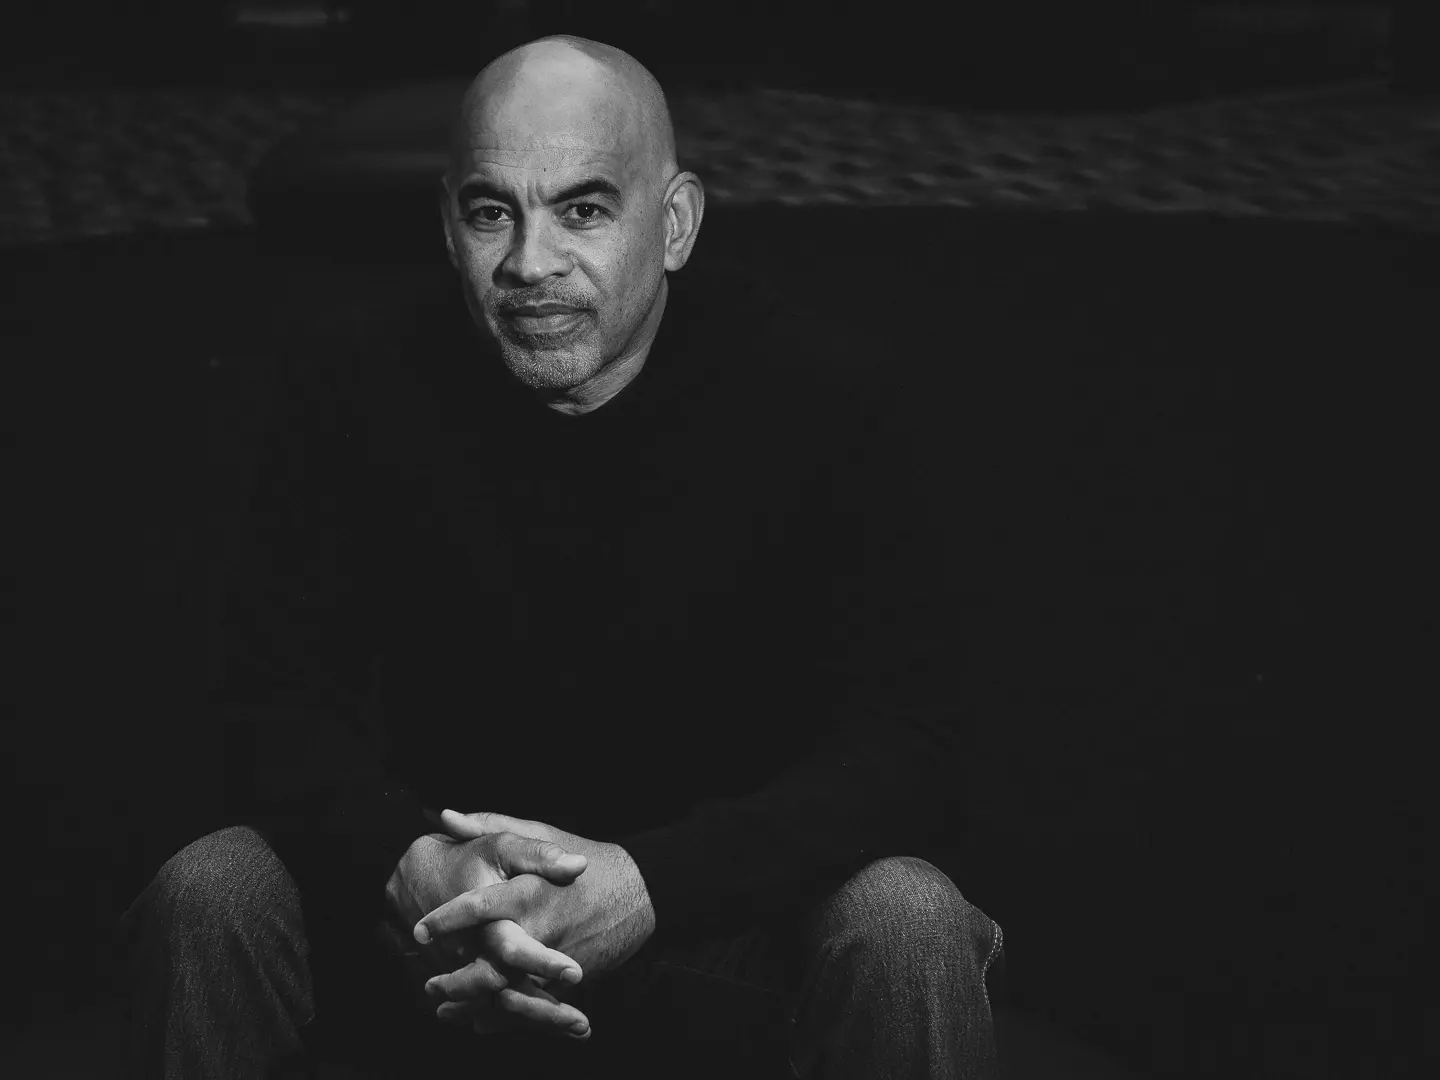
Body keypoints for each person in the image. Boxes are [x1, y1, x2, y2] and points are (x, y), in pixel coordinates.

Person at [120, 34, 1006, 1079]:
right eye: (492, 212)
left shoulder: (826, 402)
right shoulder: (349, 394)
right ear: (448, 227)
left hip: (713, 927)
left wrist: (649, 886)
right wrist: (413, 864)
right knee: (211, 887)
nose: (530, 264)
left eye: (583, 209)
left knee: (910, 920)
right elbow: (265, 711)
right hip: (437, 926)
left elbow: (914, 749)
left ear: (673, 224)